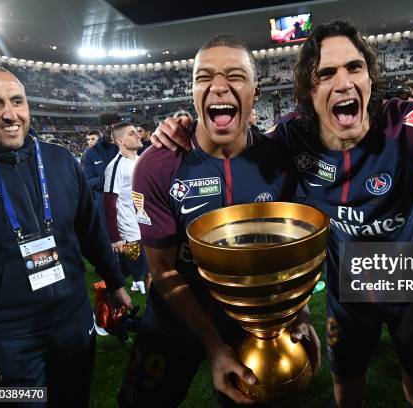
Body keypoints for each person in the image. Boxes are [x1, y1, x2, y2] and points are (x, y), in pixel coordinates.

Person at [152, 20, 413, 408]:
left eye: (354, 67)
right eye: (325, 73)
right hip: (348, 299)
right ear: (309, 89)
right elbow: (233, 145)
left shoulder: (407, 121)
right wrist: (183, 128)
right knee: (346, 391)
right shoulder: (291, 136)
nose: (342, 82)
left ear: (370, 76)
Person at [118, 35, 320, 407]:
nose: (219, 86)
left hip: (251, 318)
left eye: (235, 76)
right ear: (193, 93)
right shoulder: (156, 165)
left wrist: (298, 311)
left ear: (255, 93)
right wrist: (214, 346)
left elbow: (292, 256)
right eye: (204, 77)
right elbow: (161, 271)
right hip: (175, 313)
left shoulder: (279, 158)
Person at [0, 66, 131, 405]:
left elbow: (91, 231)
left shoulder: (59, 160)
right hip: (2, 337)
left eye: (17, 101)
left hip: (72, 322)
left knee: (73, 400)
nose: (10, 114)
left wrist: (116, 281)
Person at [104, 122, 150, 294]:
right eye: (132, 133)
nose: (138, 135)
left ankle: (110, 305)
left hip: (145, 226)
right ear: (120, 141)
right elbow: (109, 203)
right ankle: (153, 313)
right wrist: (115, 237)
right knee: (148, 273)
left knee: (122, 275)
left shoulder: (140, 160)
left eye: (137, 131)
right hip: (130, 233)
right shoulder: (115, 166)